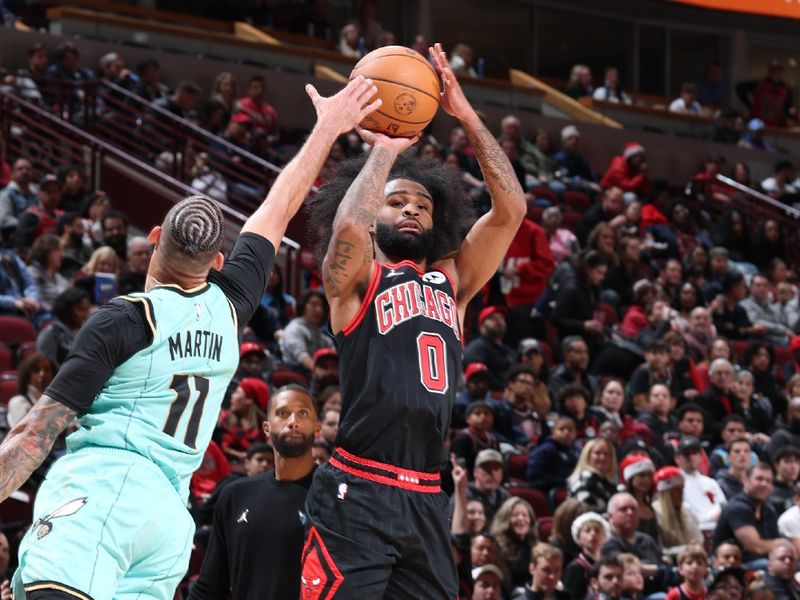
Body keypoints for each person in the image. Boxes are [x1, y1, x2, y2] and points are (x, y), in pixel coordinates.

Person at [0, 75, 380, 600]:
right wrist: (329, 129)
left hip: (105, 490)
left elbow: (32, 437)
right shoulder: (231, 305)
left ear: (153, 239)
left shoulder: (124, 318)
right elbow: (279, 206)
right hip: (167, 522)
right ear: (219, 262)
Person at [300, 41, 526, 599]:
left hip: (428, 493)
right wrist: (383, 150)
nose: (412, 210)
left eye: (423, 206)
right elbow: (350, 229)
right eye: (398, 202)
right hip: (356, 486)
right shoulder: (355, 282)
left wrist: (466, 115)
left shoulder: (454, 279)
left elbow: (511, 210)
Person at [188, 385, 319, 599]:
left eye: (302, 413)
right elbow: (210, 587)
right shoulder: (235, 496)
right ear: (266, 428)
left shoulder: (335, 496)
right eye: (283, 413)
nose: (292, 421)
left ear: (317, 427)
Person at [712, 462, 782, 569]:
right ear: (746, 481)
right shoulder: (737, 507)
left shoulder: (769, 509)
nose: (764, 484)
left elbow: (777, 546)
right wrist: (779, 543)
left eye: (768, 481)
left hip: (763, 562)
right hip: (733, 566)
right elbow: (755, 547)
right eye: (759, 479)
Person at [676, 436, 727, 532]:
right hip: (691, 531)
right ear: (677, 458)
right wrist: (708, 518)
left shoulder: (711, 482)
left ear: (700, 456)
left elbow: (724, 506)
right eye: (686, 454)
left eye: (694, 453)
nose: (691, 457)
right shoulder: (675, 484)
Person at [463, 306, 517, 392]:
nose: (499, 321)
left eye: (501, 318)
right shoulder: (477, 347)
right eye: (493, 318)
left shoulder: (508, 350)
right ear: (482, 327)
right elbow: (478, 379)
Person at [652, 466, 703, 556]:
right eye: (676, 490)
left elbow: (698, 538)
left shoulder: (687, 510)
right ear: (666, 493)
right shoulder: (655, 512)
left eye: (682, 489)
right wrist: (685, 549)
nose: (681, 493)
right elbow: (659, 550)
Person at [36, 287, 91, 367]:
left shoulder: (86, 331)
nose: (85, 315)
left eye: (87, 311)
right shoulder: (50, 333)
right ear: (67, 308)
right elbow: (45, 366)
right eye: (81, 310)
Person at [491, 497, 538, 589]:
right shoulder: (496, 547)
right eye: (515, 515)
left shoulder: (535, 546)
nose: (521, 518)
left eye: (525, 515)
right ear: (505, 520)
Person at [562, 512, 610, 599]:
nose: (593, 534)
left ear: (605, 536)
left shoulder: (608, 564)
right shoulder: (576, 568)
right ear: (578, 538)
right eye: (587, 531)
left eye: (597, 530)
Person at [567, 438, 618, 512]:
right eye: (597, 453)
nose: (602, 457)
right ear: (587, 456)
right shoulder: (584, 481)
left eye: (606, 454)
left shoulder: (607, 483)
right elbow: (586, 512)